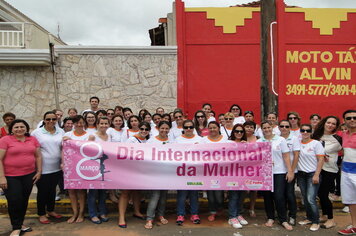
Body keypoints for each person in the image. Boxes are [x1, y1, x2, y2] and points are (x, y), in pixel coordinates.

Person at [0, 119, 42, 236]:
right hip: (10, 176)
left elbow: (38, 156)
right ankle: (16, 227)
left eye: (22, 127)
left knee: (24, 200)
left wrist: (39, 171)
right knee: (14, 201)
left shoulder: (32, 139)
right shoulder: (5, 140)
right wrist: (1, 177)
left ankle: (20, 223)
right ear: (11, 129)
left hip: (29, 175)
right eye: (16, 127)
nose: (19, 129)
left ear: (26, 128)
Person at [257, 121, 294, 231]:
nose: (267, 129)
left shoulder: (280, 140)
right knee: (267, 197)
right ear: (262, 130)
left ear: (272, 128)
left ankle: (283, 219)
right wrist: (265, 162)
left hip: (279, 171)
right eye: (264, 128)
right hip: (265, 173)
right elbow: (257, 158)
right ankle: (270, 217)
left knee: (279, 196)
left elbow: (286, 156)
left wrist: (290, 171)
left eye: (268, 127)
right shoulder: (259, 142)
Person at [31, 111, 64, 224]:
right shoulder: (37, 133)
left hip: (57, 167)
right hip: (42, 168)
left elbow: (64, 147)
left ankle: (50, 210)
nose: (51, 121)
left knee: (52, 190)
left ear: (56, 120)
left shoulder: (61, 131)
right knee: (43, 191)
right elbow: (32, 149)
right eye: (48, 119)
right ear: (44, 120)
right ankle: (41, 213)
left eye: (53, 119)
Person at [118, 122, 150, 228]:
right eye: (142, 129)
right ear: (139, 129)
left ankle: (137, 212)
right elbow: (125, 153)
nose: (144, 131)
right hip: (130, 169)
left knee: (137, 191)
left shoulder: (149, 141)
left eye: (146, 129)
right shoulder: (131, 139)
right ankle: (121, 217)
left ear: (149, 130)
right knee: (125, 192)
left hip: (141, 169)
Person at [312, 116, 342, 229]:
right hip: (316, 169)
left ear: (336, 126)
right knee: (320, 194)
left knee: (324, 194)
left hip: (330, 169)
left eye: (333, 124)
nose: (330, 125)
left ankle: (331, 219)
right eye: (328, 122)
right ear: (324, 123)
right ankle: (324, 215)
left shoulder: (338, 138)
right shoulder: (316, 136)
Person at [144, 121, 172, 229]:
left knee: (164, 196)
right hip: (155, 172)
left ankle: (161, 215)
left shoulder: (171, 141)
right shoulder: (151, 141)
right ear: (158, 128)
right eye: (162, 128)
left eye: (166, 128)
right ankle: (149, 218)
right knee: (155, 195)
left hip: (167, 172)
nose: (164, 130)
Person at [297, 124, 324, 231]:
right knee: (305, 198)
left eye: (307, 130)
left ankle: (315, 221)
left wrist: (317, 174)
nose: (305, 132)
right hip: (301, 174)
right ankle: (309, 218)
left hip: (312, 174)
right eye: (303, 130)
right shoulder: (297, 143)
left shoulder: (316, 143)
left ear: (311, 132)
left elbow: (320, 160)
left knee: (310, 199)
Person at [63, 115, 90, 223]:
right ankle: (74, 213)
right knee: (71, 191)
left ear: (84, 123)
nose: (79, 124)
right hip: (69, 165)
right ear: (73, 124)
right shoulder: (67, 134)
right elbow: (63, 150)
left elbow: (89, 149)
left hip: (82, 165)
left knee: (81, 191)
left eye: (81, 122)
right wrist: (63, 163)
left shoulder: (89, 135)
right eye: (77, 122)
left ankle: (81, 213)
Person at [175, 120, 203, 226]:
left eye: (190, 127)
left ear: (193, 127)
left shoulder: (200, 140)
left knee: (194, 195)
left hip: (196, 172)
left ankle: (194, 214)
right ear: (183, 128)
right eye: (186, 127)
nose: (188, 129)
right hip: (182, 172)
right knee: (181, 195)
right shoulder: (177, 140)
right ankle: (180, 214)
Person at [201, 122, 227, 222]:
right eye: (210, 128)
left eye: (214, 127)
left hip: (221, 171)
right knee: (211, 195)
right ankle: (212, 212)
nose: (212, 130)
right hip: (207, 171)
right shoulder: (203, 140)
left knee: (219, 195)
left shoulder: (225, 139)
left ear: (218, 128)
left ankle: (220, 208)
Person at [87, 116, 111, 224]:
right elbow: (86, 150)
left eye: (106, 123)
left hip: (105, 167)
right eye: (101, 123)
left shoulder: (109, 136)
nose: (104, 125)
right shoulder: (93, 136)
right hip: (93, 167)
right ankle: (93, 214)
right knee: (92, 192)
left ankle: (102, 212)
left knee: (103, 192)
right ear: (97, 124)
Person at [337, 109, 356, 235]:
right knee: (351, 201)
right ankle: (354, 226)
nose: (352, 120)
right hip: (345, 171)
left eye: (354, 117)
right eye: (348, 118)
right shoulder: (343, 134)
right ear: (344, 121)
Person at [279, 120, 300, 226]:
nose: (284, 128)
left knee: (290, 193)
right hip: (279, 170)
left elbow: (296, 155)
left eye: (286, 126)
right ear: (279, 128)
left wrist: (291, 170)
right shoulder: (277, 138)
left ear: (289, 128)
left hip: (291, 170)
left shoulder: (294, 138)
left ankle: (292, 216)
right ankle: (282, 215)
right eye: (282, 126)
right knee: (280, 195)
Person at [227, 124, 248, 228]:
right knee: (234, 196)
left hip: (243, 173)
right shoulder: (228, 143)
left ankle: (238, 214)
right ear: (233, 132)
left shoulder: (246, 144)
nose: (239, 133)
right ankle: (232, 217)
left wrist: (247, 146)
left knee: (241, 196)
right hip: (231, 174)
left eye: (241, 131)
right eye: (237, 131)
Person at [243, 120, 259, 216]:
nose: (249, 128)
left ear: (254, 129)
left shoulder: (259, 139)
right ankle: (240, 206)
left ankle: (252, 208)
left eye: (251, 127)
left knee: (254, 189)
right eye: (247, 126)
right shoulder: (239, 137)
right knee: (242, 188)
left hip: (255, 167)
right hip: (241, 167)